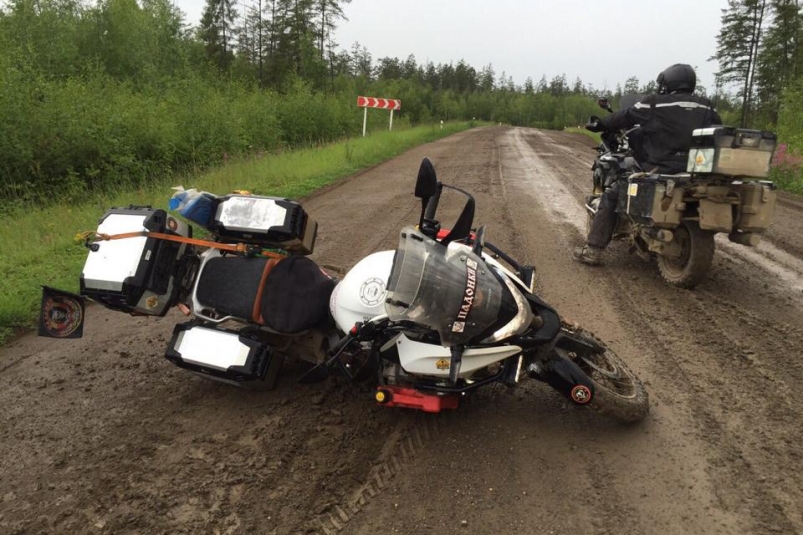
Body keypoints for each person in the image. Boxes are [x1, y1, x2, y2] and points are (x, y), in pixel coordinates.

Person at [573, 64, 723, 266]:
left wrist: (600, 124)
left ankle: (592, 251)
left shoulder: (656, 103)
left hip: (659, 168)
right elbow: (717, 131)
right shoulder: (706, 106)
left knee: (611, 196)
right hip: (695, 171)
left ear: (668, 82)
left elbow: (624, 116)